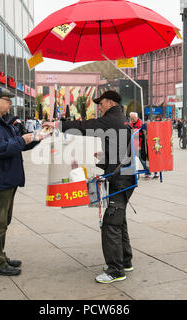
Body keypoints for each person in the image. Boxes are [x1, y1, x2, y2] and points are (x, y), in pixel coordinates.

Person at [44, 91, 135, 284]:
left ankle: (115, 270)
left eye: (100, 103)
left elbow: (83, 126)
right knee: (119, 220)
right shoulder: (122, 118)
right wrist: (103, 156)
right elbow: (122, 148)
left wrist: (57, 124)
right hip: (125, 177)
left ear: (110, 102)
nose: (98, 107)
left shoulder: (110, 119)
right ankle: (125, 261)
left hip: (120, 179)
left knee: (111, 223)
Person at [0, 87, 43, 276]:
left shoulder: (1, 122)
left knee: (4, 221)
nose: (10, 104)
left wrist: (38, 136)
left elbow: (16, 144)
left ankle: (0, 256)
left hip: (5, 178)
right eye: (7, 100)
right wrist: (23, 139)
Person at [129, 112, 151, 179]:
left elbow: (142, 137)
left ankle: (148, 172)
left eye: (133, 118)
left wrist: (140, 146)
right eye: (131, 118)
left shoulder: (140, 124)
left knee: (143, 160)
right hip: (133, 145)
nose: (132, 120)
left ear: (136, 117)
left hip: (139, 146)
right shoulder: (131, 124)